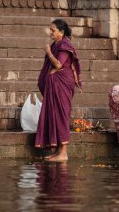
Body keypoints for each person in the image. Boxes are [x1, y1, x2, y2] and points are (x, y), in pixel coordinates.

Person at [35, 19, 82, 161]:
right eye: (50, 30)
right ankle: (58, 151)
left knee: (61, 115)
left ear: (61, 33)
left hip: (62, 85)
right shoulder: (56, 44)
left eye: (53, 30)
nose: (50, 32)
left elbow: (59, 64)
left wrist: (49, 52)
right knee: (54, 114)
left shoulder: (65, 45)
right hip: (55, 85)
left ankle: (64, 153)